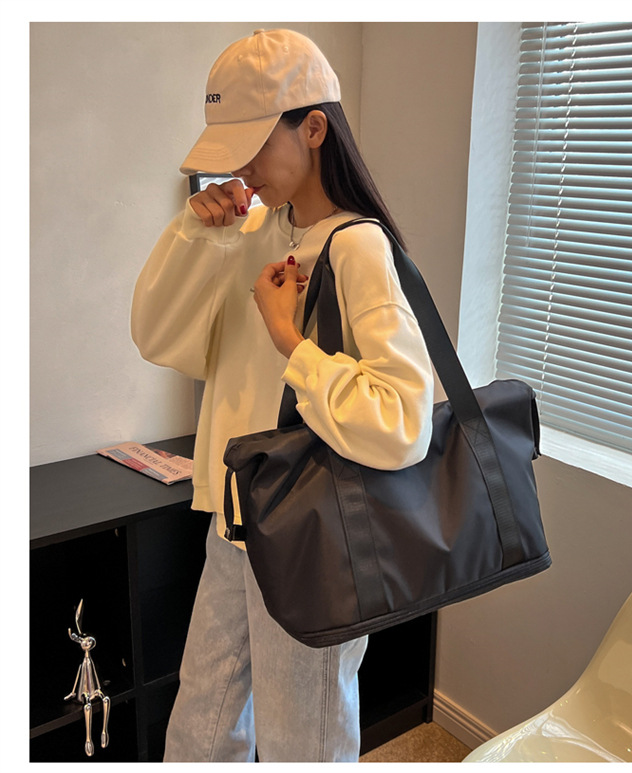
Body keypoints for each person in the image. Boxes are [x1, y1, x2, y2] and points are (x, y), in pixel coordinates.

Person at [130, 29, 434, 762]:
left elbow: (404, 422)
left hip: (312, 536)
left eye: (253, 146)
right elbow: (157, 338)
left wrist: (290, 342)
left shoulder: (356, 246)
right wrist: (194, 234)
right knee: (201, 725)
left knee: (303, 742)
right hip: (237, 521)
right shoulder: (256, 230)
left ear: (315, 128)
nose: (239, 168)